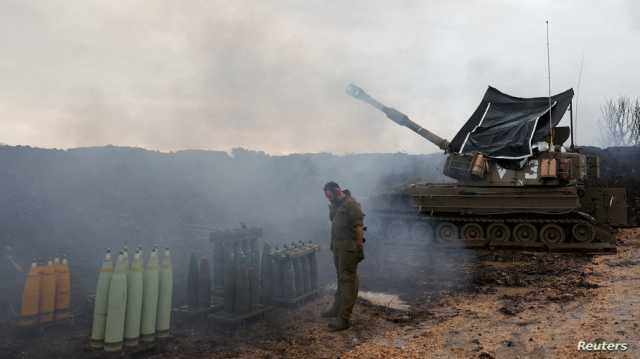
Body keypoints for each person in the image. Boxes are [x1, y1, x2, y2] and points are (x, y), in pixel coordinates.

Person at [321, 181, 365, 331]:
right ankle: (336, 308)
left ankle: (344, 318)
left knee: (347, 280)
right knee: (341, 278)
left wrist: (359, 248)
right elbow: (333, 219)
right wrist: (332, 204)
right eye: (327, 197)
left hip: (348, 248)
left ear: (337, 191)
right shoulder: (336, 204)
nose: (328, 199)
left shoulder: (351, 204)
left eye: (330, 196)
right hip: (338, 247)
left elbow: (359, 228)